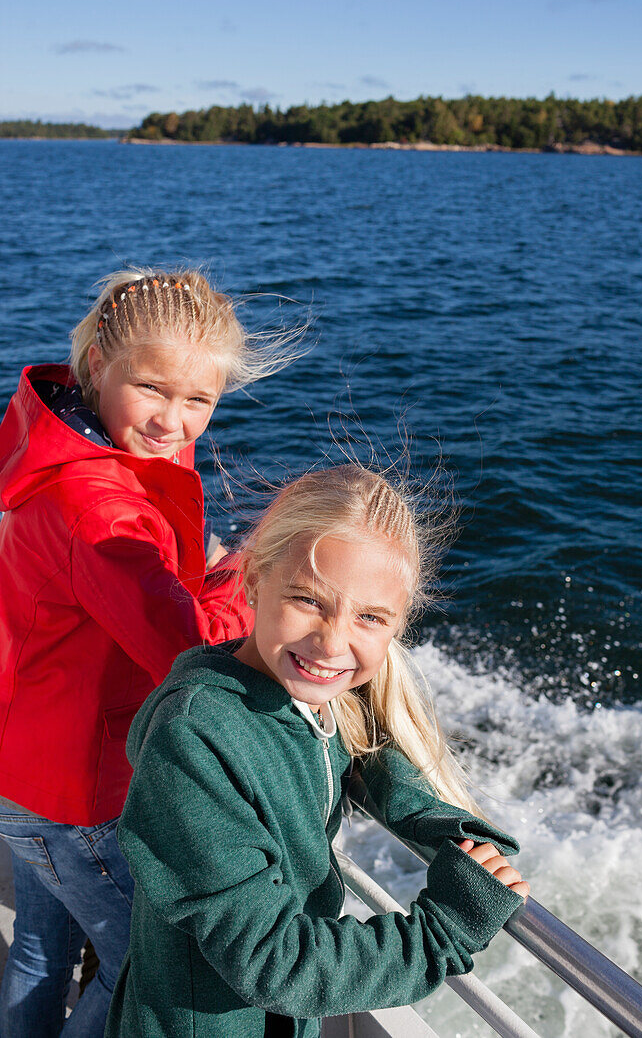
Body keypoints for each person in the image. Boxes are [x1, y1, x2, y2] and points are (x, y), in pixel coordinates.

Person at [105, 463, 529, 1038]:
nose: (331, 642)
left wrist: (451, 829)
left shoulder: (313, 693)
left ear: (398, 624)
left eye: (369, 617)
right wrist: (446, 929)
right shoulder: (194, 738)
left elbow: (369, 751)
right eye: (308, 600)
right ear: (253, 578)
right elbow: (274, 961)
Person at [0, 268, 294, 1037]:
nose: (172, 421)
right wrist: (260, 559)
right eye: (153, 389)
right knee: (142, 963)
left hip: (24, 766)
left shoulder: (64, 442)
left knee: (40, 947)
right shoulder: (99, 511)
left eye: (198, 400)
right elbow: (189, 646)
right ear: (98, 364)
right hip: (75, 796)